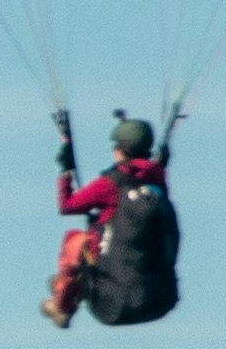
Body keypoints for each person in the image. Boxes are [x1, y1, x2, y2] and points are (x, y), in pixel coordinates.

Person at [43, 108, 180, 331]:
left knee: (75, 241)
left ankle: (62, 304)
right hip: (159, 301)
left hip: (111, 305)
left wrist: (65, 171)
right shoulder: (157, 181)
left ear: (119, 151)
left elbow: (67, 205)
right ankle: (70, 287)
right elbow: (148, 171)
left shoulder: (111, 184)